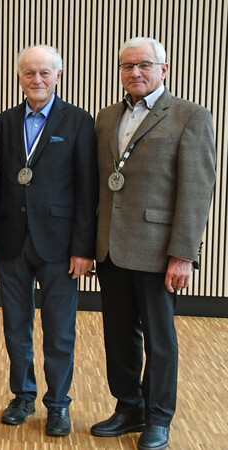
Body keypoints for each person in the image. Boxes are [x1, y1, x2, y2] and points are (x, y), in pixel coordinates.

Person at [91, 37, 216, 450]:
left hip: (158, 250)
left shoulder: (189, 116)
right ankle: (129, 407)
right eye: (127, 66)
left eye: (144, 65)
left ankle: (159, 417)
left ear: (164, 69)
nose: (135, 73)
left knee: (160, 339)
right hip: (111, 246)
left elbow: (197, 189)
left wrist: (183, 254)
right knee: (119, 334)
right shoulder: (107, 117)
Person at [0, 45, 97, 436]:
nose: (37, 80)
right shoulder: (2, 123)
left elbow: (88, 191)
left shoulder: (80, 123)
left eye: (44, 73)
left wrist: (84, 248)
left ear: (58, 77)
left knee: (59, 329)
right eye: (29, 73)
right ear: (20, 78)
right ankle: (22, 396)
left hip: (60, 247)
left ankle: (58, 404)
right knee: (15, 325)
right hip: (10, 243)